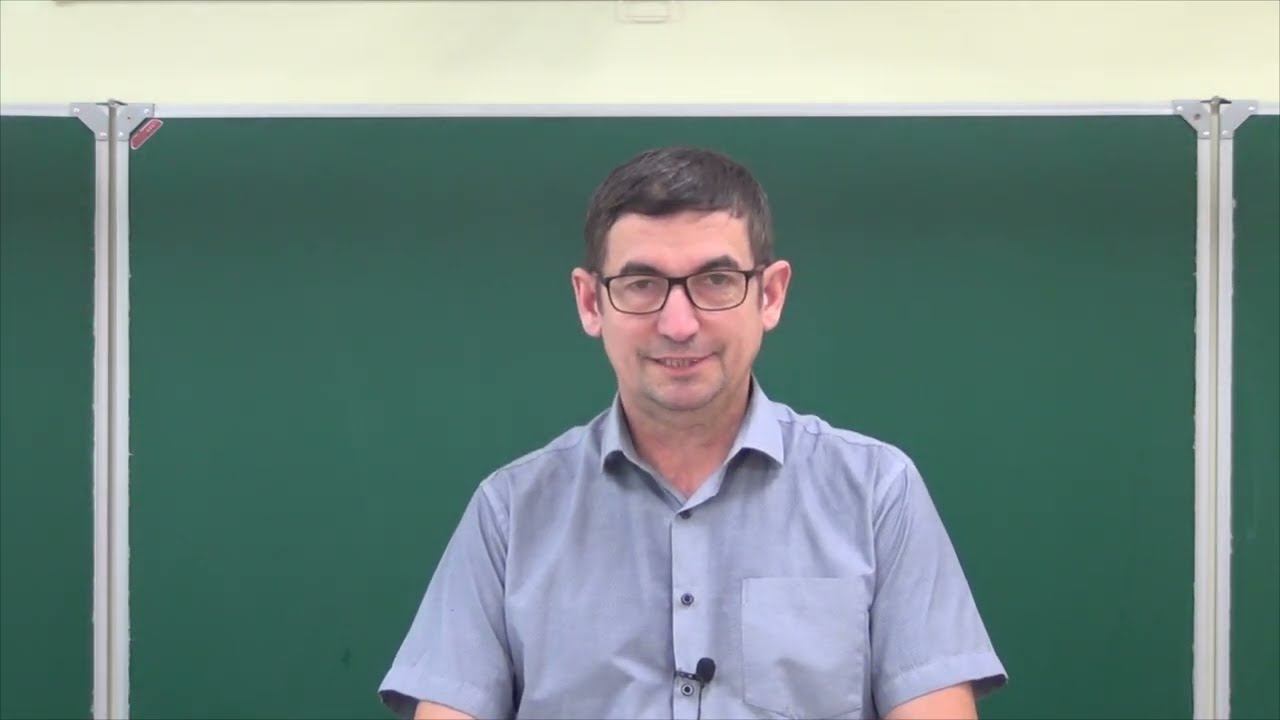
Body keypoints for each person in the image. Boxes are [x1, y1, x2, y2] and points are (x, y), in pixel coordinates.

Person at [378, 146, 1007, 720]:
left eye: (716, 281)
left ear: (770, 295)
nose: (678, 324)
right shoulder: (510, 515)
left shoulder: (876, 493)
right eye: (641, 284)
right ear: (591, 303)